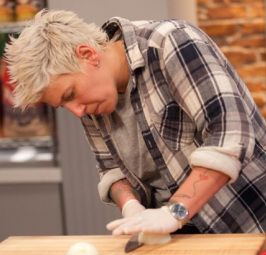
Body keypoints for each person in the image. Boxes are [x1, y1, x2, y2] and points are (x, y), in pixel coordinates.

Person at [5, 9, 266, 235]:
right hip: (185, 237)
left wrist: (174, 212)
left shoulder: (170, 42)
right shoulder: (95, 99)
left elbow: (230, 133)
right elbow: (111, 169)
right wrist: (131, 206)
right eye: (64, 105)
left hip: (251, 223)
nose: (77, 112)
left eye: (70, 95)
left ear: (88, 54)